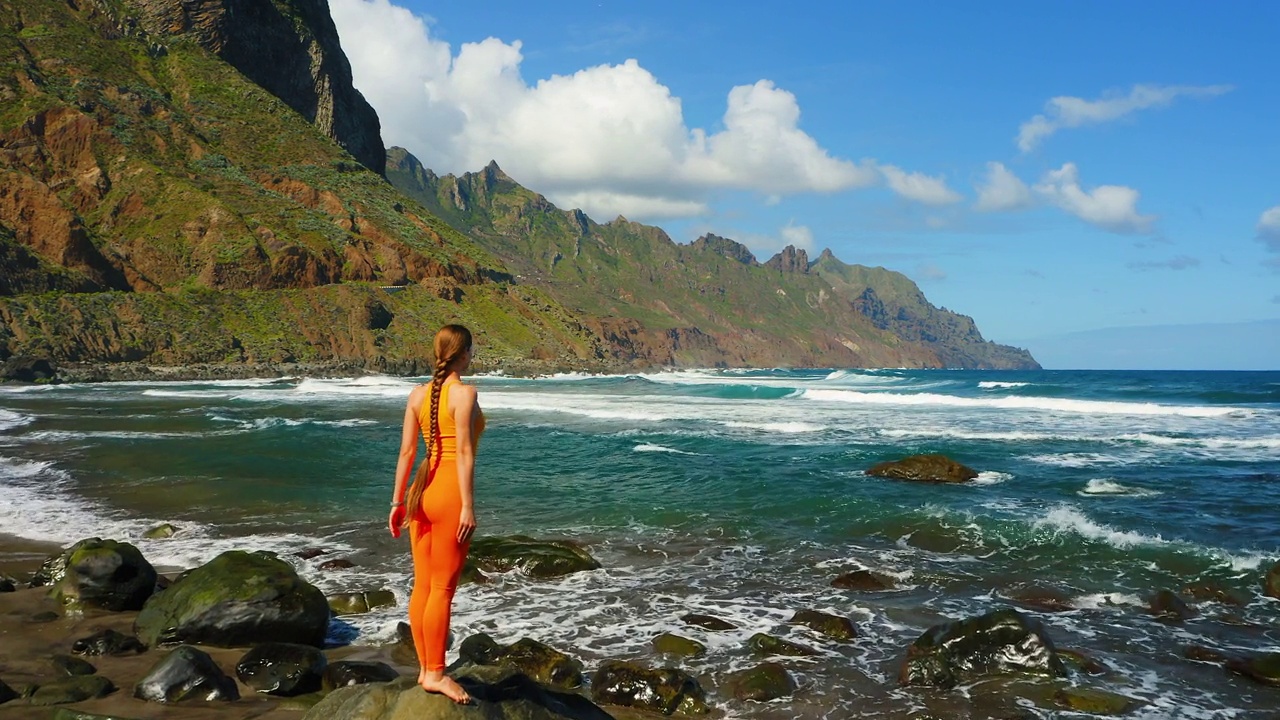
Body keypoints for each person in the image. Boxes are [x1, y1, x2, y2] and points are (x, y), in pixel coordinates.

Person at [388, 324, 484, 704]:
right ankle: (436, 674)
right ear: (464, 354)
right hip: (446, 496)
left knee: (423, 586)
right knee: (442, 590)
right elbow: (463, 453)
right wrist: (468, 506)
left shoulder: (417, 395)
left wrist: (397, 504)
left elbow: (407, 454)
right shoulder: (464, 393)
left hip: (419, 494)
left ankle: (427, 669)